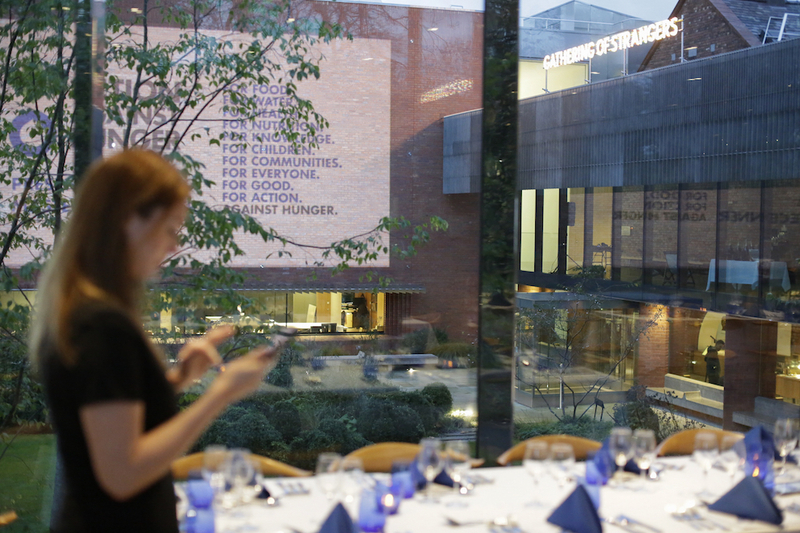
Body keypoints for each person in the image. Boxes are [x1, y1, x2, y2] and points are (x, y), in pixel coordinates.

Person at [30, 150, 284, 532]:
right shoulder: (102, 325)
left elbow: (110, 411)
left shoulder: (83, 312)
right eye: (169, 228)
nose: (173, 246)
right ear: (128, 220)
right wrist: (221, 394)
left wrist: (180, 378)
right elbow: (123, 473)